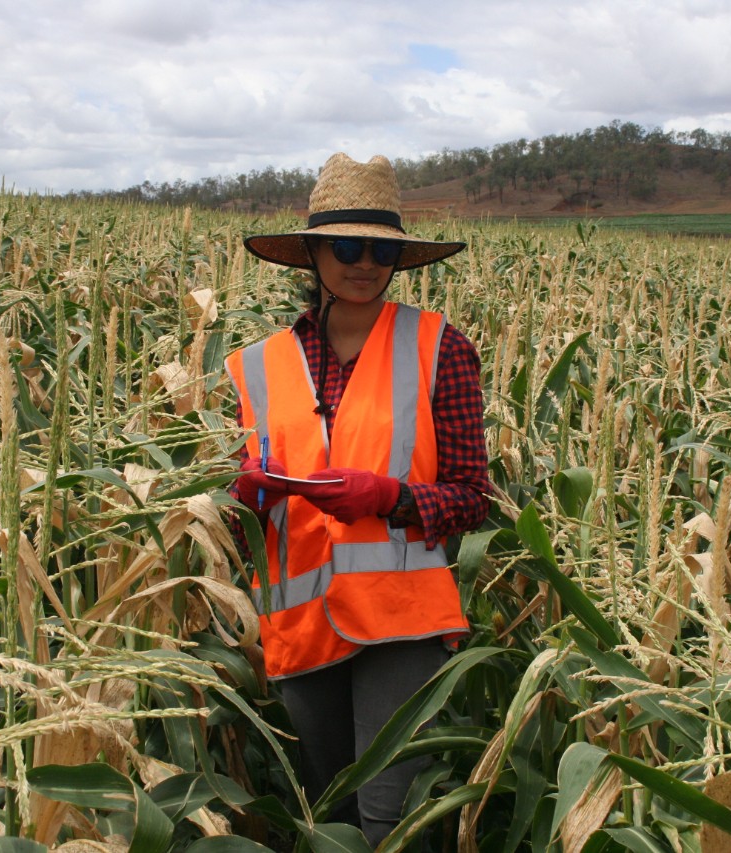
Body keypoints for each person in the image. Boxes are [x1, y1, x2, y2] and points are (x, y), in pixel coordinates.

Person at [224, 152, 491, 844]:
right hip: (300, 620)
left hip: (402, 619)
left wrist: (392, 496)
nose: (363, 261)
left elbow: (471, 496)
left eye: (380, 248)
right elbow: (235, 495)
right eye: (346, 245)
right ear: (313, 252)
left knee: (390, 820)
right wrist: (243, 496)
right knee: (330, 816)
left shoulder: (440, 348)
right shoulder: (258, 364)